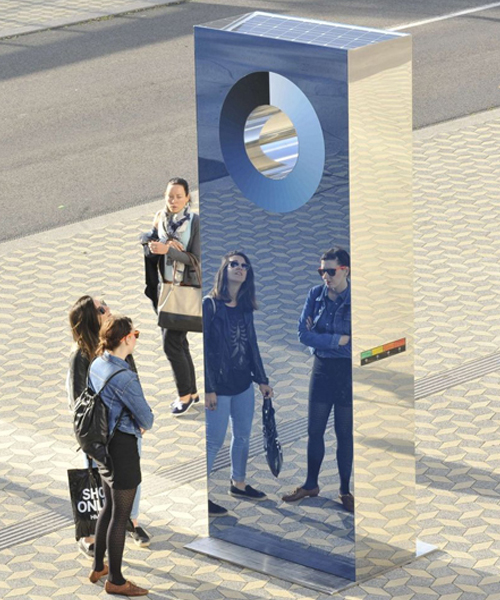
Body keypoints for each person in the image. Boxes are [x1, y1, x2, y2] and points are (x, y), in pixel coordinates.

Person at [67, 296, 150, 557]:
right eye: (102, 309)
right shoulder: (81, 356)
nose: (108, 310)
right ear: (92, 318)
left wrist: (139, 417)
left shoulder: (116, 344)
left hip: (125, 430)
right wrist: (90, 436)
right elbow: (78, 399)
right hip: (97, 432)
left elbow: (133, 383)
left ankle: (131, 521)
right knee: (95, 483)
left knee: (130, 478)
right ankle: (88, 534)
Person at [282, 247, 354, 512]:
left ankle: (345, 490)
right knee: (315, 431)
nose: (326, 276)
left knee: (344, 434)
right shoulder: (315, 294)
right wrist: (337, 340)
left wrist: (323, 340)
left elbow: (357, 344)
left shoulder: (357, 299)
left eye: (331, 271)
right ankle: (311, 484)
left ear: (345, 270)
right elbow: (302, 334)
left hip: (347, 374)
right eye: (321, 270)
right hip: (322, 370)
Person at [203, 252, 273, 517]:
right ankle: (203, 495)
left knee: (242, 435)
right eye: (234, 264)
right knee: (213, 442)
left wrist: (262, 379)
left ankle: (239, 483)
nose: (239, 268)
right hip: (219, 388)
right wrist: (208, 387)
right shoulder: (209, 305)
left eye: (244, 266)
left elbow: (251, 344)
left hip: (243, 384)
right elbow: (204, 350)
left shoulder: (244, 307)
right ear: (224, 269)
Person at [88, 315, 154, 597]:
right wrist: (140, 421)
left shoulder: (97, 363)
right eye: (135, 334)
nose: (136, 338)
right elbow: (147, 418)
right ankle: (115, 579)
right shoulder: (125, 376)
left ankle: (98, 565)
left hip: (102, 446)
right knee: (121, 515)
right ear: (126, 339)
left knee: (108, 506)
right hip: (123, 448)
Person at [142, 177, 200, 417]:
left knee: (171, 344)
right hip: (164, 290)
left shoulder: (195, 222)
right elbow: (151, 240)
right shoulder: (161, 218)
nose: (173, 201)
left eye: (178, 196)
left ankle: (184, 396)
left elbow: (196, 259)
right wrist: (149, 243)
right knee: (178, 342)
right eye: (170, 196)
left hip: (184, 289)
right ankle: (193, 393)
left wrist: (170, 251)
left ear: (188, 197)